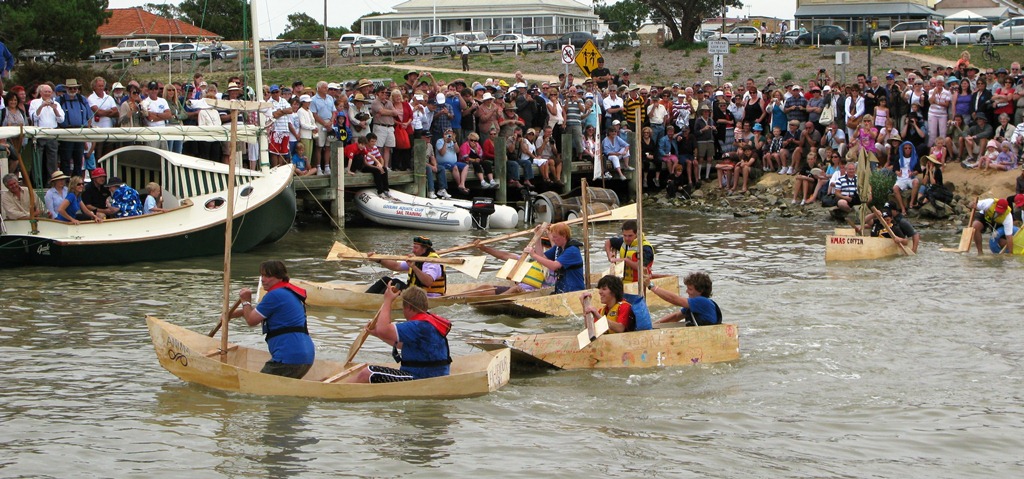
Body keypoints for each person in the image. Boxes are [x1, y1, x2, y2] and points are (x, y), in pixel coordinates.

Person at [230, 260, 315, 379]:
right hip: (305, 356)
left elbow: (251, 320)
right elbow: (257, 313)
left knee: (256, 389)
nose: (263, 279)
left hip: (288, 358)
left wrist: (246, 300)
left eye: (268, 276)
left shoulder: (275, 295)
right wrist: (229, 315)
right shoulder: (286, 292)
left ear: (280, 277)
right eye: (262, 275)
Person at [351, 284, 452, 383]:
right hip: (435, 375)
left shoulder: (418, 325)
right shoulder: (428, 322)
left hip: (421, 378)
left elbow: (383, 329)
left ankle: (339, 392)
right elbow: (403, 345)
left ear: (407, 307)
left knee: (367, 373)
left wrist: (387, 300)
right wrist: (377, 333)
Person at [367, 236, 447, 296]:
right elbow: (396, 266)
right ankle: (368, 296)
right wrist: (378, 259)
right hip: (413, 292)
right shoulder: (417, 257)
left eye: (416, 248)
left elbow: (428, 281)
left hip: (424, 296)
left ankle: (378, 300)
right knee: (386, 279)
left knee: (395, 283)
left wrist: (414, 267)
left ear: (424, 249)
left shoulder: (433, 262)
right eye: (413, 247)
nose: (413, 250)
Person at [473, 236, 556, 294]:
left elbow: (556, 250)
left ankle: (496, 300)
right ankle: (461, 297)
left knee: (513, 289)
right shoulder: (528, 259)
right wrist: (483, 248)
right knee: (485, 287)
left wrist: (549, 234)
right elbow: (504, 255)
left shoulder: (553, 264)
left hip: (527, 293)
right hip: (519, 290)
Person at [526, 222, 584, 294]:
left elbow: (554, 266)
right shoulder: (558, 248)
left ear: (564, 236)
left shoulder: (572, 250)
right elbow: (541, 257)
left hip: (574, 291)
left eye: (555, 237)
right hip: (562, 289)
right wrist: (538, 236)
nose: (552, 239)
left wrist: (534, 255)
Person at [649, 271, 722, 326]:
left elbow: (674, 299)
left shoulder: (703, 301)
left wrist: (651, 286)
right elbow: (676, 317)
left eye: (690, 289)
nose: (687, 291)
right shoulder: (694, 305)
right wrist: (654, 325)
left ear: (700, 291)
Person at [579, 275, 646, 334]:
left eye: (604, 289)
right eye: (600, 289)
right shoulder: (602, 310)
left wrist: (597, 315)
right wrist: (584, 307)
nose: (600, 292)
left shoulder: (624, 307)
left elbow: (620, 328)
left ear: (614, 292)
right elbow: (589, 330)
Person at [604, 220, 654, 284]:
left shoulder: (646, 248)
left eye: (630, 236)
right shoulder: (624, 242)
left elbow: (640, 267)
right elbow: (608, 242)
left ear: (637, 234)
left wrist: (625, 260)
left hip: (640, 284)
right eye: (625, 235)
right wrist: (609, 255)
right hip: (623, 282)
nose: (627, 238)